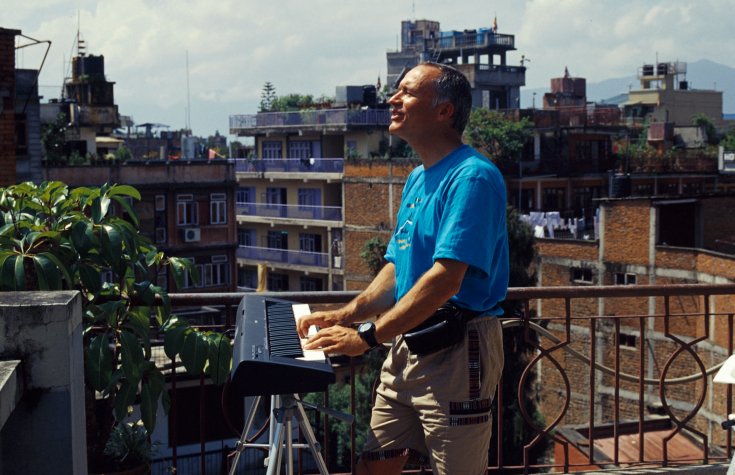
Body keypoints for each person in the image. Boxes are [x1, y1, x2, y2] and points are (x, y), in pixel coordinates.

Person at [298, 62, 508, 475]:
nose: (393, 99)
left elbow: (445, 279)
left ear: (444, 111)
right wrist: (345, 315)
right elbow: (399, 267)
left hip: (456, 351)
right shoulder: (417, 178)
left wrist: (367, 335)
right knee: (374, 466)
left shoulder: (473, 178)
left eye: (407, 92)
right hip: (405, 345)